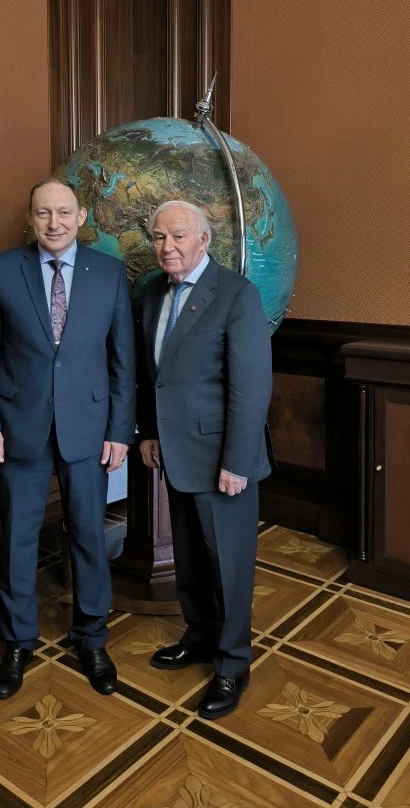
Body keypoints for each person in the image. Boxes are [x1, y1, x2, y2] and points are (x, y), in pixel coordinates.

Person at [0, 178, 135, 699]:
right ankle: (17, 643)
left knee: (88, 536)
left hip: (89, 430)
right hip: (20, 429)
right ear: (30, 218)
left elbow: (123, 363)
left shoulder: (109, 273)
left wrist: (120, 432)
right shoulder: (3, 269)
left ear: (81, 217)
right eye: (44, 213)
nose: (54, 222)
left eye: (64, 212)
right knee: (18, 539)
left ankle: (92, 639)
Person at [137, 199, 272, 719]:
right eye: (158, 237)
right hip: (175, 453)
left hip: (222, 460)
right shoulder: (152, 292)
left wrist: (237, 461)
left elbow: (251, 387)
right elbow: (154, 375)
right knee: (190, 557)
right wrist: (149, 432)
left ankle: (233, 663)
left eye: (177, 236)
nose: (166, 247)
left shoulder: (237, 294)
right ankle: (198, 636)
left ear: (203, 240)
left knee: (228, 566)